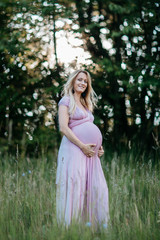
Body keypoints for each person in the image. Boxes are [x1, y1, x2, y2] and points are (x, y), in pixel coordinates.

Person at [56, 70, 109, 229]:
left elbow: (90, 128)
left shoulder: (86, 104)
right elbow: (64, 128)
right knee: (76, 187)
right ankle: (70, 228)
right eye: (79, 79)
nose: (82, 83)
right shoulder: (65, 101)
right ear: (73, 81)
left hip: (90, 155)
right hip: (74, 150)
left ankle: (93, 227)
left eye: (85, 81)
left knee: (95, 187)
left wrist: (99, 148)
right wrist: (83, 146)